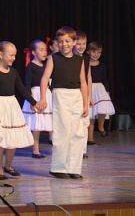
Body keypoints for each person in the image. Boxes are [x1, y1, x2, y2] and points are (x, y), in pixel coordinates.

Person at [36, 26, 89, 179]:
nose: (64, 44)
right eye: (60, 42)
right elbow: (45, 78)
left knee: (77, 132)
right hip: (60, 94)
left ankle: (74, 168)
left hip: (76, 96)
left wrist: (86, 103)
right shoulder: (53, 58)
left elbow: (83, 82)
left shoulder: (80, 60)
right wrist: (43, 98)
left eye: (67, 41)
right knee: (63, 130)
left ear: (74, 42)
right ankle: (58, 168)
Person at [0, 41, 36, 180]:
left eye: (15, 55)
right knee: (0, 141)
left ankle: (8, 166)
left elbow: (22, 89)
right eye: (11, 55)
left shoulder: (14, 72)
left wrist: (34, 103)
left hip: (12, 106)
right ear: (0, 54)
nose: (14, 58)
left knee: (13, 139)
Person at [21, 40, 51, 158]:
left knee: (50, 122)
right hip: (35, 95)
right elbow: (27, 85)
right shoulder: (31, 67)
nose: (44, 52)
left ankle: (57, 146)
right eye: (41, 50)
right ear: (33, 52)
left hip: (46, 94)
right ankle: (36, 150)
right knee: (36, 125)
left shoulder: (47, 65)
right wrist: (31, 101)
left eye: (45, 50)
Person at [87, 41, 115, 142]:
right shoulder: (85, 64)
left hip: (100, 89)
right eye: (93, 52)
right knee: (91, 114)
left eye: (99, 52)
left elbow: (105, 79)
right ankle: (90, 138)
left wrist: (107, 91)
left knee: (102, 108)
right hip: (89, 88)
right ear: (88, 52)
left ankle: (100, 126)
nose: (96, 54)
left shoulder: (102, 65)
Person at [74, 30, 92, 155]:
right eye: (79, 44)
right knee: (75, 122)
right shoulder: (71, 57)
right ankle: (74, 148)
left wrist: (89, 95)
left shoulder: (86, 58)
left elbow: (88, 77)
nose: (81, 46)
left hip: (84, 93)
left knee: (85, 121)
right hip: (74, 93)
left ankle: (83, 149)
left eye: (84, 44)